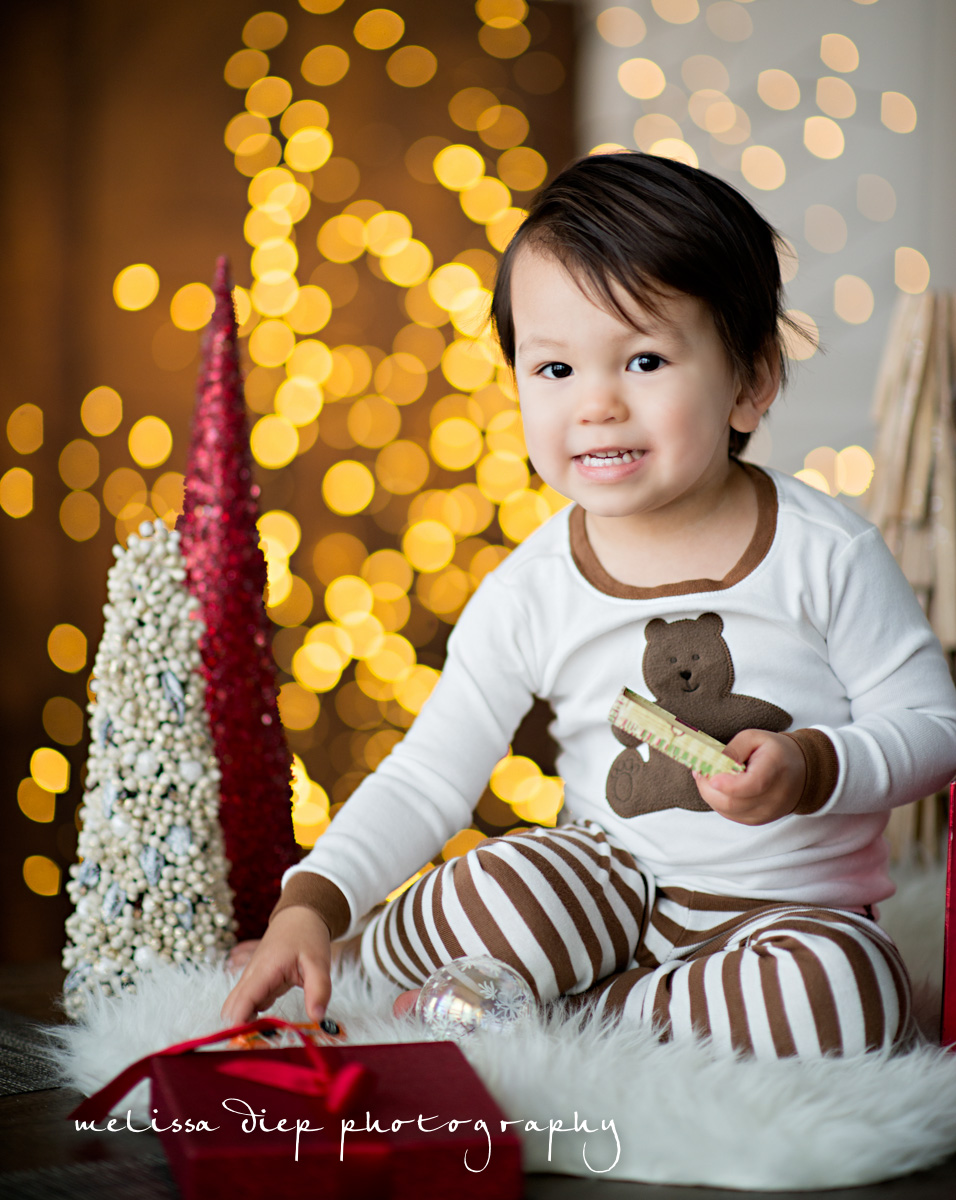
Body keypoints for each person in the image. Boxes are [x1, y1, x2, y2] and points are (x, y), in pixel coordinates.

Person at [222, 152, 956, 1059]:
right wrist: (313, 902)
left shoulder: (827, 553)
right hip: (602, 899)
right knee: (503, 883)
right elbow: (426, 776)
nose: (597, 405)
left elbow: (934, 727)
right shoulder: (532, 588)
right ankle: (370, 957)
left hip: (784, 918)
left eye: (644, 359)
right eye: (556, 369)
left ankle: (596, 1021)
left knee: (842, 996)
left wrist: (814, 765)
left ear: (751, 380)